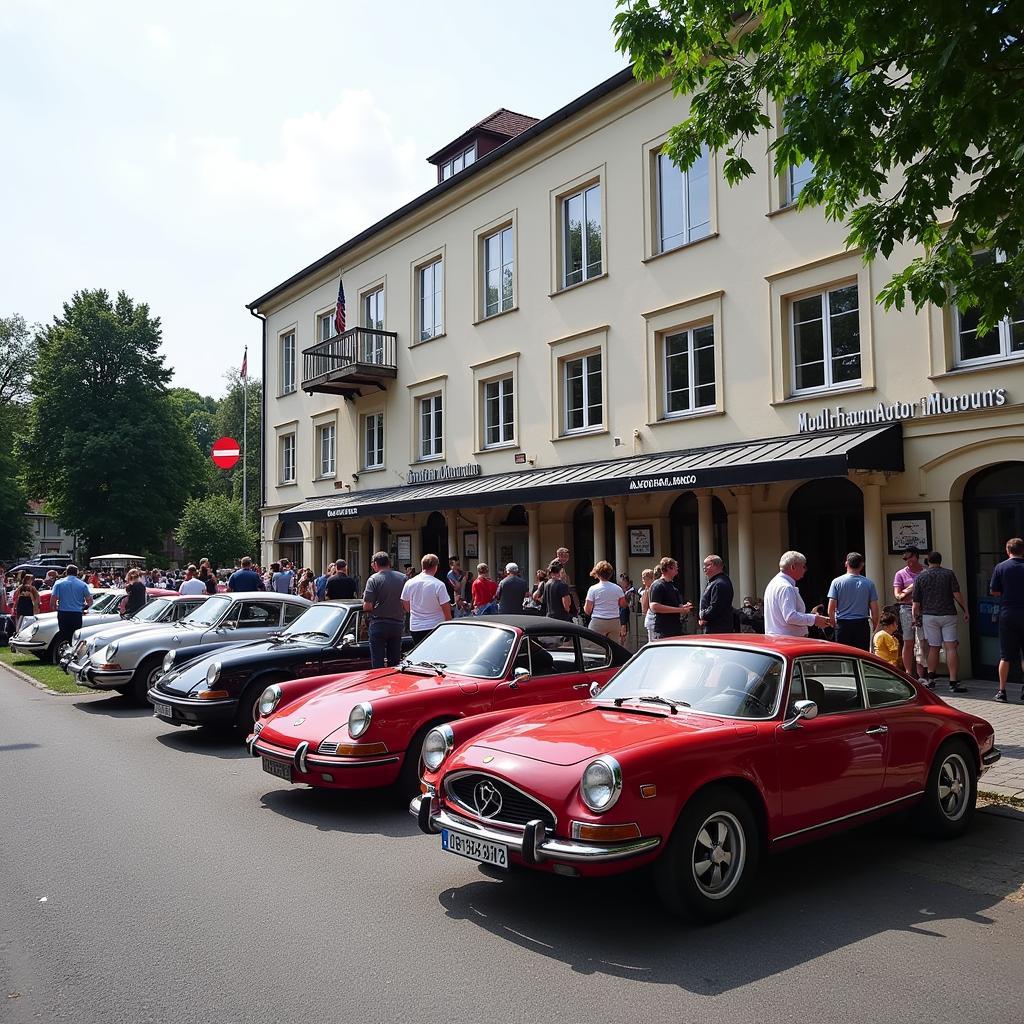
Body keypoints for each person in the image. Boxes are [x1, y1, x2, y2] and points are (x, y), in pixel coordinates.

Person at [911, 551, 969, 693]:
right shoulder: (948, 574)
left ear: (927, 561)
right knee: (951, 647)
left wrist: (915, 617)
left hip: (929, 615)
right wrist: (966, 609)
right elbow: (957, 594)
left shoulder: (921, 577)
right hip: (948, 614)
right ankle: (953, 681)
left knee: (934, 647)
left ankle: (931, 679)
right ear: (940, 561)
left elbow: (916, 603)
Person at [763, 551, 831, 637]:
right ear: (793, 567)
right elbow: (790, 617)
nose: (805, 570)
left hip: (779, 639)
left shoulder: (774, 583)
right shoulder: (786, 587)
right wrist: (815, 619)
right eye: (803, 566)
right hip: (788, 641)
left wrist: (811, 617)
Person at [989, 537, 1024, 702]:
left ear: (1007, 550)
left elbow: (994, 591)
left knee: (1005, 656)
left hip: (1008, 613)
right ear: (1022, 550)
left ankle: (1002, 691)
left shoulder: (1001, 567)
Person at [826, 552, 880, 651]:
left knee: (843, 656)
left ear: (846, 563)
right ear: (862, 565)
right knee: (862, 655)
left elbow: (831, 609)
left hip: (843, 624)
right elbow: (875, 610)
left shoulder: (836, 582)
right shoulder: (869, 584)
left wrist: (834, 624)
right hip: (861, 624)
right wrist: (875, 625)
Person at [362, 551, 408, 668]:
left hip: (379, 623)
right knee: (395, 662)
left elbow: (367, 606)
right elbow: (407, 603)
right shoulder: (402, 578)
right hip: (397, 623)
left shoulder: (373, 579)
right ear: (389, 563)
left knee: (378, 663)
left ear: (376, 564)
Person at [893, 546, 928, 679]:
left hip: (923, 609)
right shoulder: (900, 574)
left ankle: (922, 675)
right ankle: (908, 673)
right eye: (905, 558)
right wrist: (909, 589)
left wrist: (907, 592)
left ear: (916, 556)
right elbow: (898, 596)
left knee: (922, 641)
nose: (908, 561)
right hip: (906, 608)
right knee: (908, 641)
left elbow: (927, 593)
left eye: (909, 557)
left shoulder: (925, 573)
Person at [401, 553, 452, 644]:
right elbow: (446, 607)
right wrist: (448, 623)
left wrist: (414, 612)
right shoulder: (439, 585)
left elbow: (405, 602)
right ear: (436, 567)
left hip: (416, 626)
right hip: (435, 626)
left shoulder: (410, 583)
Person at [648, 557, 693, 639]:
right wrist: (679, 610)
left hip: (675, 628)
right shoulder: (658, 585)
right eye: (675, 567)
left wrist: (684, 607)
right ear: (669, 568)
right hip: (663, 630)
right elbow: (654, 606)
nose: (677, 569)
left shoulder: (672, 586)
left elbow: (675, 605)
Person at [51, 564, 92, 648]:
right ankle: (73, 653)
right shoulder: (82, 584)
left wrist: (56, 608)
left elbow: (52, 601)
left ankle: (63, 652)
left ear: (66, 572)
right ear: (76, 573)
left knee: (64, 635)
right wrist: (84, 608)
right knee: (75, 636)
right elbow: (90, 601)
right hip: (76, 614)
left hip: (63, 612)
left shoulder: (59, 583)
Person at [584, 560, 627, 639]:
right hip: (614, 621)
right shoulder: (617, 588)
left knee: (595, 647)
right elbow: (623, 604)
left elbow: (587, 610)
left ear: (598, 573)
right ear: (610, 574)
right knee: (614, 647)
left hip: (598, 621)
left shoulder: (593, 589)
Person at [698, 554, 735, 634]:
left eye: (707, 565)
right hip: (713, 628)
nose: (704, 568)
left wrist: (703, 616)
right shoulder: (714, 581)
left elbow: (716, 607)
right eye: (703, 565)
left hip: (718, 630)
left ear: (717, 566)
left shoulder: (720, 583)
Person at [639, 568, 657, 644]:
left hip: (653, 620)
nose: (643, 581)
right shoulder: (649, 589)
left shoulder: (650, 589)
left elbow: (644, 609)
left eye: (644, 579)